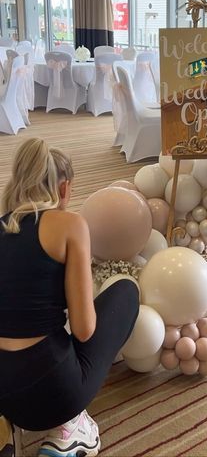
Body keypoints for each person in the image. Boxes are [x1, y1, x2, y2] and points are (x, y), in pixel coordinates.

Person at [0, 138, 139, 457]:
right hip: (54, 394)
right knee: (126, 292)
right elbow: (84, 329)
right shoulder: (69, 224)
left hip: (4, 394)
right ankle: (71, 428)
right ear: (64, 188)